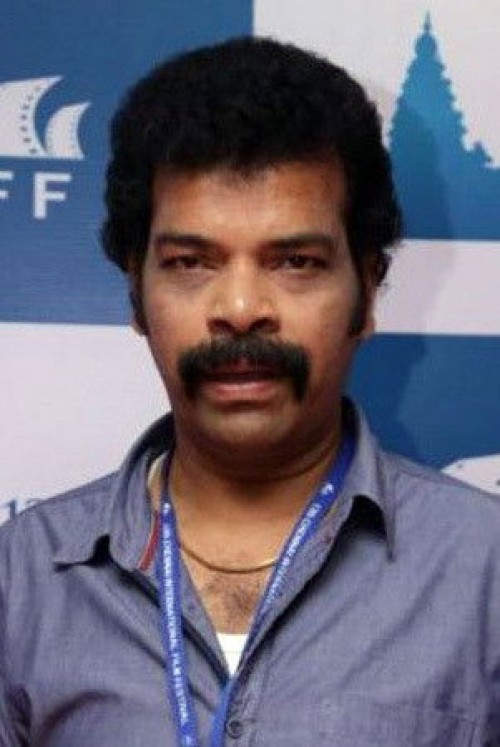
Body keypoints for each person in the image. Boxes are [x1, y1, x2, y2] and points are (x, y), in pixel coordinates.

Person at [1, 37, 499, 747]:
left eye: (294, 261)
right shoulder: (21, 577)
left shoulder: (485, 569)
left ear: (367, 291)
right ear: (136, 294)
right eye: (190, 262)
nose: (240, 309)